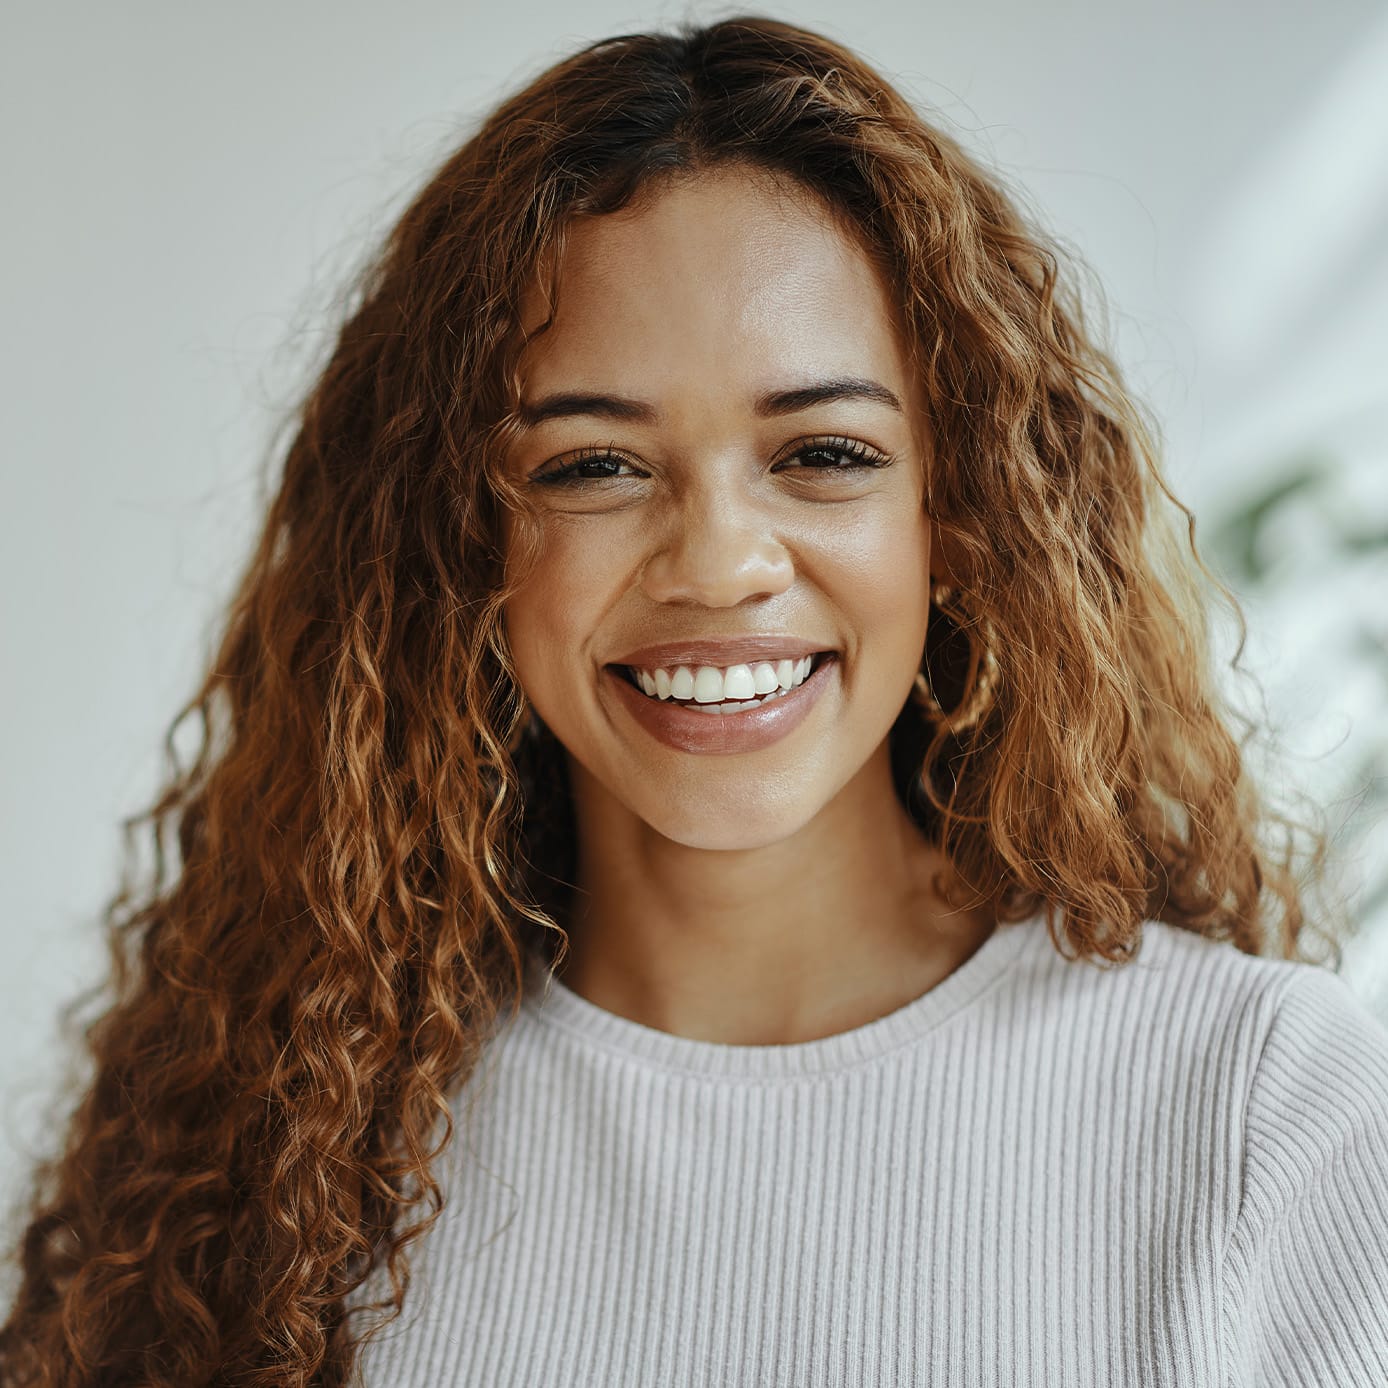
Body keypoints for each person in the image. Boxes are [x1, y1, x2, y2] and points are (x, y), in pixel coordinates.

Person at [2, 14, 1386, 1387]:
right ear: (461, 546)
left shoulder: (1259, 1109)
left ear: (956, 517)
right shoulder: (285, 1156)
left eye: (825, 452)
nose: (720, 565)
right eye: (592, 466)